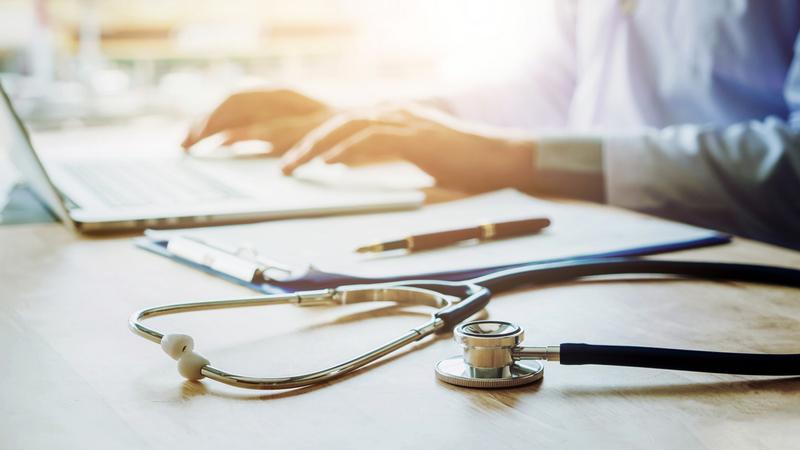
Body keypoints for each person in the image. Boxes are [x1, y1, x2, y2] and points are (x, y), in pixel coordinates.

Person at [181, 0, 800, 249]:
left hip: (758, 288)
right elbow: (551, 89)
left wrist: (518, 160)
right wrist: (363, 120)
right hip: (609, 249)